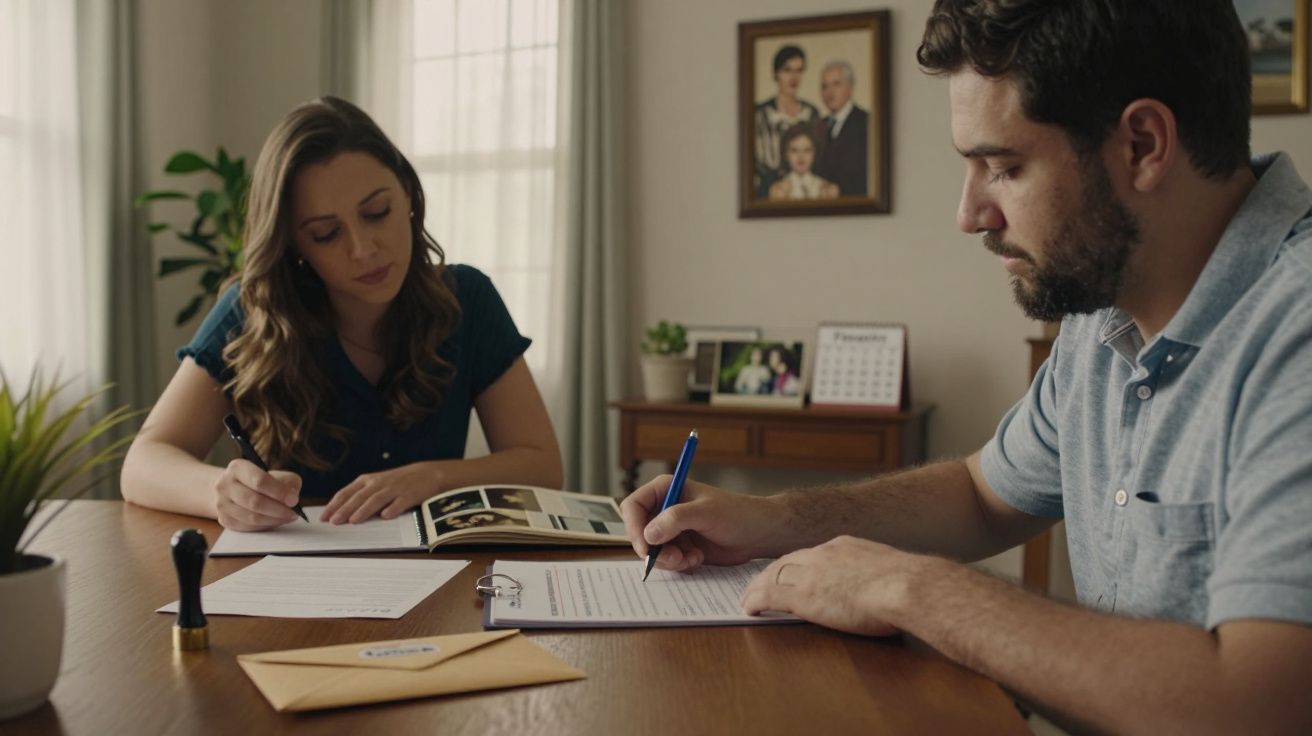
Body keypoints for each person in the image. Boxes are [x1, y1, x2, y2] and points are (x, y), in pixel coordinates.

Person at [622, 2, 1312, 732]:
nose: (970, 213)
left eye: (1004, 167)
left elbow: (1258, 704)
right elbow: (983, 496)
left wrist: (909, 588)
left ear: (1143, 144)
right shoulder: (1103, 310)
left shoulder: (1294, 332)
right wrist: (771, 519)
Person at [121, 96, 563, 532]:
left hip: (439, 578)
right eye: (326, 234)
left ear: (406, 193)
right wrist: (223, 491)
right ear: (293, 243)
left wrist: (434, 478)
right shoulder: (253, 310)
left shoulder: (467, 298)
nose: (363, 249)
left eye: (377, 212)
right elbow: (143, 463)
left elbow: (542, 466)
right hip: (292, 583)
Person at [753, 45, 823, 197]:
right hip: (767, 194)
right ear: (775, 74)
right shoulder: (759, 115)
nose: (793, 77)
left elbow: (820, 161)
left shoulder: (812, 113)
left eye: (798, 70)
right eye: (787, 70)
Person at [812, 60, 869, 196]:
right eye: (824, 87)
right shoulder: (817, 126)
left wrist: (841, 190)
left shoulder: (867, 123)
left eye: (836, 84)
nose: (829, 92)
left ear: (850, 87)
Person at [767, 125, 840, 201]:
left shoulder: (828, 189)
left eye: (807, 150)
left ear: (815, 153)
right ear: (785, 154)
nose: (801, 157)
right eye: (794, 150)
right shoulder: (777, 190)